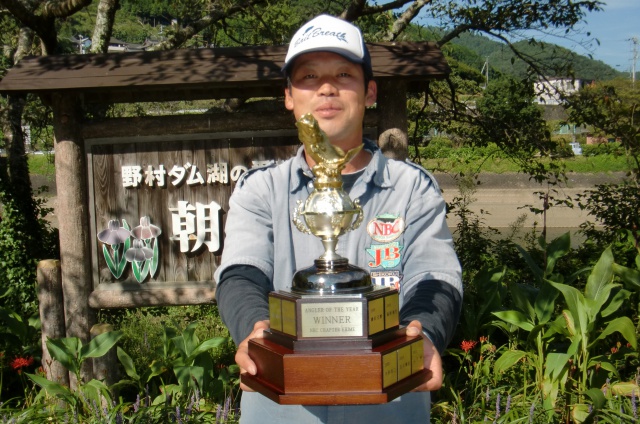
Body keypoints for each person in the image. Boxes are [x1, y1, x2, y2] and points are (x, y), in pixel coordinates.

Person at [214, 14, 462, 424]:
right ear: (289, 96)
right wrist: (255, 331)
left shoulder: (412, 186)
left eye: (343, 74)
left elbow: (436, 277)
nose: (326, 87)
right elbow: (241, 272)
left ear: (369, 92)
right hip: (281, 407)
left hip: (391, 404)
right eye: (309, 76)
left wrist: (424, 333)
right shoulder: (259, 188)